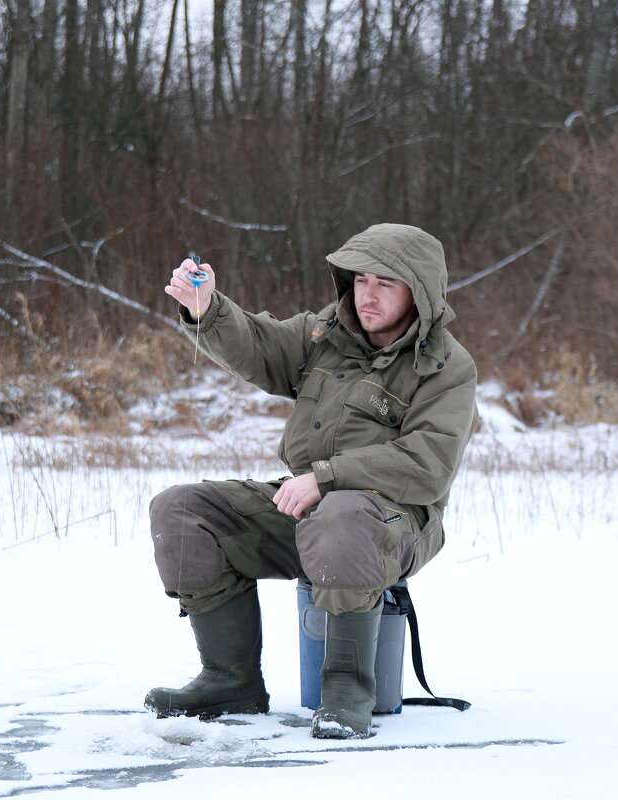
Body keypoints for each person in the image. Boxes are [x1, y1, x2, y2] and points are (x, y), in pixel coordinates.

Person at [145, 223, 478, 739]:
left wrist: (327, 477)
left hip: (394, 524)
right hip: (310, 509)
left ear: (421, 291)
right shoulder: (325, 333)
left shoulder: (446, 367)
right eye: (361, 279)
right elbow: (260, 345)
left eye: (385, 284)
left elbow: (428, 462)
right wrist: (207, 309)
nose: (367, 295)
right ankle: (229, 681)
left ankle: (346, 692)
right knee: (182, 510)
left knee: (342, 517)